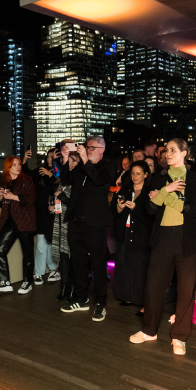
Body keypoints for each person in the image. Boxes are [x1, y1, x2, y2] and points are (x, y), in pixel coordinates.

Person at [129, 139, 196, 355]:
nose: (168, 154)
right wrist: (166, 190)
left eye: (173, 150)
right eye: (166, 151)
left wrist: (167, 196)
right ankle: (149, 331)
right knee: (153, 286)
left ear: (185, 153)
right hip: (163, 238)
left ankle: (180, 337)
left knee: (185, 290)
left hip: (188, 239)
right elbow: (151, 208)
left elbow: (195, 209)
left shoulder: (194, 178)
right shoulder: (158, 177)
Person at [60, 137, 114, 321]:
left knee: (98, 264)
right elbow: (65, 179)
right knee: (78, 262)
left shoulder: (107, 167)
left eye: (92, 147)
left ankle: (100, 302)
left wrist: (84, 160)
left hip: (95, 223)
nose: (88, 150)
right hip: (76, 221)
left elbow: (99, 181)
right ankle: (80, 298)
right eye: (87, 147)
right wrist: (66, 160)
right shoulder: (82, 167)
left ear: (102, 150)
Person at [112, 161, 154, 310]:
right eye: (133, 173)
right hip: (124, 233)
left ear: (145, 174)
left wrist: (135, 209)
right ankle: (126, 296)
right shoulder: (125, 189)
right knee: (124, 264)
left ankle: (141, 300)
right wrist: (118, 207)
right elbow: (113, 211)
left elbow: (150, 216)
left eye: (138, 173)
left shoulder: (150, 192)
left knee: (140, 267)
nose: (135, 176)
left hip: (141, 235)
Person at [0, 156, 37, 294]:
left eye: (18, 164)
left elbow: (31, 199)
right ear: (8, 167)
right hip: (9, 221)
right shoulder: (4, 182)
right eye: (14, 165)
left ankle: (27, 282)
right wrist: (1, 197)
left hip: (24, 220)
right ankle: (4, 282)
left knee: (27, 253)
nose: (18, 167)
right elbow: (1, 203)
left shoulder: (26, 180)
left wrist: (14, 197)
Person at [33, 148, 61, 285]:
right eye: (49, 157)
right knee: (41, 245)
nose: (50, 160)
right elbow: (28, 175)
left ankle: (53, 269)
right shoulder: (40, 171)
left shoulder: (59, 173)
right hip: (42, 213)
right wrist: (25, 160)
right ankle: (38, 273)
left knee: (52, 244)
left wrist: (51, 175)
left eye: (54, 157)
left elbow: (58, 187)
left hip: (56, 213)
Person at [52, 152, 76, 301]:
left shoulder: (77, 182)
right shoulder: (60, 183)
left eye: (71, 160)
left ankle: (72, 288)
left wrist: (61, 196)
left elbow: (74, 203)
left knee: (72, 257)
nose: (67, 163)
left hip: (72, 224)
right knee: (63, 257)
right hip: (60, 223)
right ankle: (64, 287)